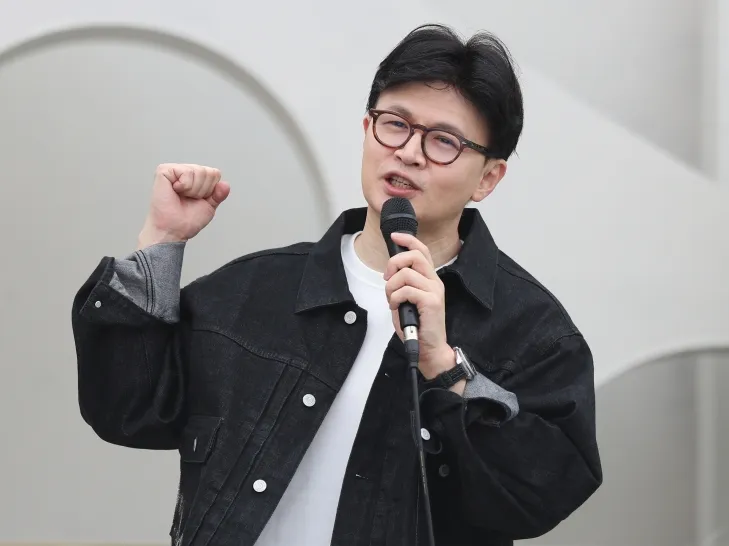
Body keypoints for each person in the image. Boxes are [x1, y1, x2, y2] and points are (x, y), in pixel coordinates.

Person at [71, 23, 602, 546]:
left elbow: (539, 499)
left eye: (444, 141)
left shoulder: (535, 333)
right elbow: (128, 413)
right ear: (367, 128)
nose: (409, 152)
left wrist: (445, 368)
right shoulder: (253, 290)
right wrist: (161, 240)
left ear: (488, 177)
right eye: (395, 124)